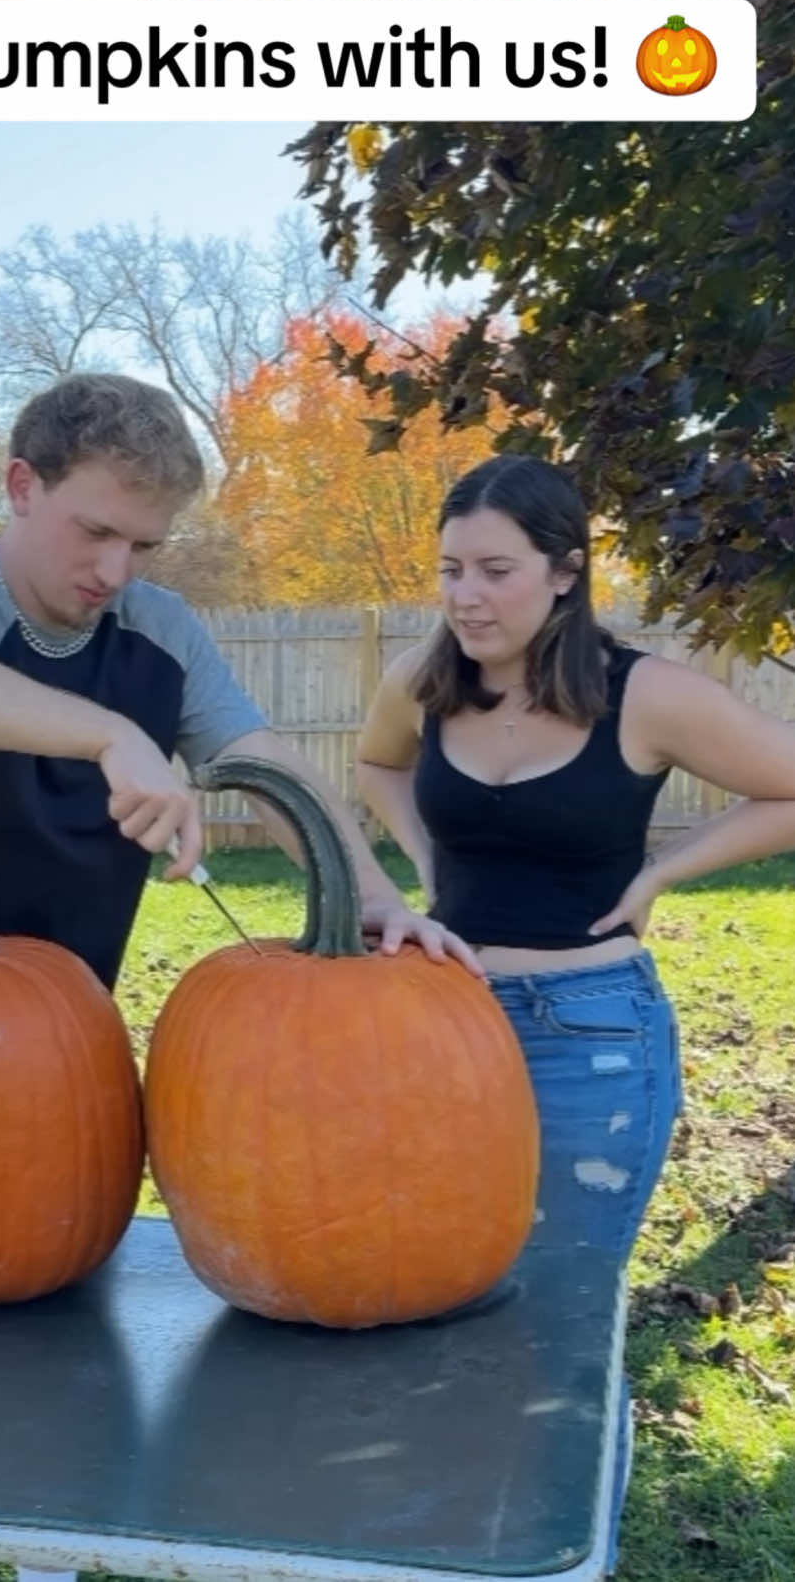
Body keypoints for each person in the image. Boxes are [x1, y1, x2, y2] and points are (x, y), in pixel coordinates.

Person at [0, 371, 480, 1582]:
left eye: (142, 543)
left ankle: (44, 1556)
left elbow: (259, 757)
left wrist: (375, 900)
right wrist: (106, 734)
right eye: (94, 530)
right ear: (21, 486)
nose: (115, 568)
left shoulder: (159, 634)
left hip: (66, 1037)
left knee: (62, 1328)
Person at [355, 452, 795, 1576]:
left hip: (588, 1042)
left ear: (562, 572)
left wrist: (660, 877)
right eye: (451, 568)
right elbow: (374, 766)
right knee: (440, 1301)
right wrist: (427, 858)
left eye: (495, 570)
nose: (465, 596)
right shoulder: (428, 675)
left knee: (560, 1331)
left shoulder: (642, 693)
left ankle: (553, 1553)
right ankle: (455, 1533)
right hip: (441, 1030)